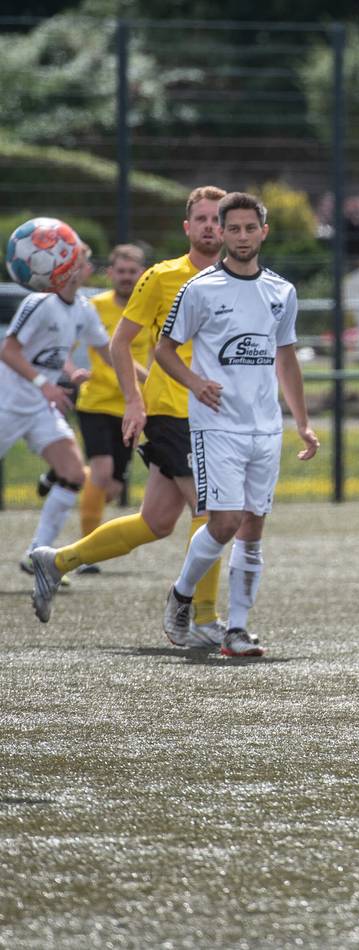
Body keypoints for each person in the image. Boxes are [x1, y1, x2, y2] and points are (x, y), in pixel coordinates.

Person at [29, 186, 228, 645]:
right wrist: (135, 402)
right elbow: (119, 343)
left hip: (217, 415)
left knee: (156, 522)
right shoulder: (160, 277)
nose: (211, 227)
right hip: (171, 410)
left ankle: (55, 561)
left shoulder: (240, 281)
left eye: (219, 219)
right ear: (187, 227)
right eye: (202, 218)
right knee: (212, 511)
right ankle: (202, 618)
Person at [155, 191, 318, 657]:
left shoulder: (281, 292)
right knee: (224, 522)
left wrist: (302, 422)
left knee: (252, 528)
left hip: (264, 428)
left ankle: (237, 630)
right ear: (222, 233)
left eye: (251, 228)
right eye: (235, 228)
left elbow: (285, 357)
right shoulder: (200, 289)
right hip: (216, 426)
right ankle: (183, 593)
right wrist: (194, 382)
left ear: (263, 232)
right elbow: (164, 349)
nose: (243, 236)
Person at [0, 245, 111, 573]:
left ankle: (37, 556)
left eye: (87, 260)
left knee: (74, 474)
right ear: (64, 266)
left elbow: (109, 354)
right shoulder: (39, 302)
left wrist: (150, 382)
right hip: (7, 403)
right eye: (83, 260)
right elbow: (9, 350)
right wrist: (44, 384)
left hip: (39, 407)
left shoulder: (83, 309)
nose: (88, 266)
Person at [68, 244, 150, 573]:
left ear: (142, 274)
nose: (127, 277)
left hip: (131, 408)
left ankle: (65, 475)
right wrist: (71, 370)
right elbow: (64, 345)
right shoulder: (93, 307)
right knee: (102, 472)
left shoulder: (149, 308)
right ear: (110, 273)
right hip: (95, 401)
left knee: (113, 488)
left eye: (133, 272)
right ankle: (85, 553)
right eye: (122, 271)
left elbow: (160, 351)